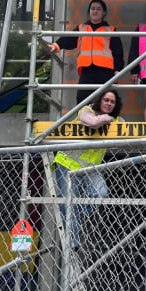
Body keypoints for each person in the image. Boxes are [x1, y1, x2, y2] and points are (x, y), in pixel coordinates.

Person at [53, 88, 123, 249]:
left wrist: (111, 120)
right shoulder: (86, 110)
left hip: (91, 168)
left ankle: (74, 219)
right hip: (67, 163)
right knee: (68, 203)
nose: (109, 104)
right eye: (106, 100)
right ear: (99, 100)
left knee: (100, 194)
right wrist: (105, 118)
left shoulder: (117, 120)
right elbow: (92, 122)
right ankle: (73, 242)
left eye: (112, 102)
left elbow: (124, 130)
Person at [48, 0, 124, 105]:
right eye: (93, 9)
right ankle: (84, 121)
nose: (95, 11)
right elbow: (68, 39)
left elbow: (118, 52)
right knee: (83, 101)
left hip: (106, 72)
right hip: (86, 71)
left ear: (104, 13)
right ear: (89, 12)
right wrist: (56, 45)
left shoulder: (110, 30)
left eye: (99, 9)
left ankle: (104, 121)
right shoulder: (81, 28)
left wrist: (117, 70)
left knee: (105, 101)